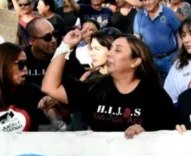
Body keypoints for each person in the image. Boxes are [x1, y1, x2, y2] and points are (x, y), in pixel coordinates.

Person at [42, 30, 177, 136]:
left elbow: (169, 137)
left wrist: (145, 132)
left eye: (117, 50)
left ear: (135, 62)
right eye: (110, 49)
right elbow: (50, 87)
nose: (109, 54)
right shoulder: (95, 87)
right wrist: (65, 46)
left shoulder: (155, 96)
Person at [133, 0, 181, 76]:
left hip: (170, 59)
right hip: (150, 60)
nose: (147, 2)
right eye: (144, 0)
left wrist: (180, 53)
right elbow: (137, 38)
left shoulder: (168, 13)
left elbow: (179, 33)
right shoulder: (139, 15)